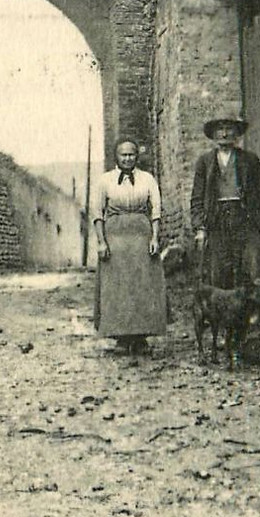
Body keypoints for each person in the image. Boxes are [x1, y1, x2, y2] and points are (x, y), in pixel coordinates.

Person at [93, 137, 166, 355]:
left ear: (137, 156)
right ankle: (121, 338)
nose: (127, 158)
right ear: (116, 156)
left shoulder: (148, 179)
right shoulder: (105, 180)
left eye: (131, 154)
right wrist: (101, 241)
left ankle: (141, 337)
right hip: (115, 236)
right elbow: (98, 213)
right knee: (117, 287)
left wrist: (154, 238)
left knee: (143, 285)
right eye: (123, 154)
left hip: (141, 235)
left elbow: (156, 211)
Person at [190, 107, 260, 291]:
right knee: (218, 269)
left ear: (237, 133)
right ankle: (223, 310)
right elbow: (197, 197)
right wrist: (200, 227)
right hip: (217, 218)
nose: (224, 133)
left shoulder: (249, 160)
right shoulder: (205, 162)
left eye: (229, 128)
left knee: (253, 264)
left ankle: (250, 312)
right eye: (220, 129)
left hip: (244, 217)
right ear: (213, 134)